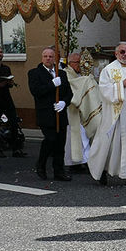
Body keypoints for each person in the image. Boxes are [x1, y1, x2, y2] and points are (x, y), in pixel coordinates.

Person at [88, 42, 126, 186]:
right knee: (109, 145)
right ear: (116, 54)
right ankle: (101, 171)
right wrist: (122, 85)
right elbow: (104, 91)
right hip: (115, 116)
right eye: (122, 52)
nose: (125, 55)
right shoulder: (108, 70)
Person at [27, 47, 73, 181]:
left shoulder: (62, 74)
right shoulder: (34, 73)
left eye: (51, 56)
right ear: (42, 58)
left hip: (60, 113)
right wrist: (51, 84)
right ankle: (40, 165)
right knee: (50, 140)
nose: (48, 58)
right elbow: (36, 91)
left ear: (55, 58)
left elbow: (69, 93)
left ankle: (59, 171)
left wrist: (64, 102)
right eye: (45, 56)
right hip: (46, 113)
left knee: (60, 143)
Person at [64, 51, 102, 173]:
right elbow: (74, 87)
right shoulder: (66, 74)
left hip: (83, 112)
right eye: (77, 63)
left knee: (84, 137)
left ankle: (85, 161)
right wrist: (86, 81)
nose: (80, 65)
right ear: (71, 63)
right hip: (72, 112)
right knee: (74, 138)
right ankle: (74, 163)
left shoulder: (82, 75)